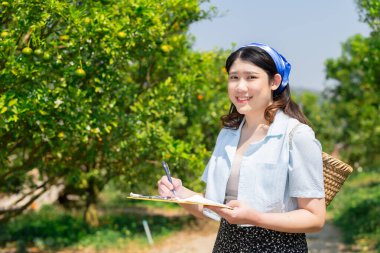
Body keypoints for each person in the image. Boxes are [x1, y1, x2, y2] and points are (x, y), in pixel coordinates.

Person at [157, 42, 325, 252]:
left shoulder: (296, 136)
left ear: (275, 82)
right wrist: (178, 192)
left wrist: (257, 218)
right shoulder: (227, 134)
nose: (240, 87)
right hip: (226, 245)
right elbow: (214, 207)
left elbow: (315, 218)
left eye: (251, 77)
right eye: (234, 77)